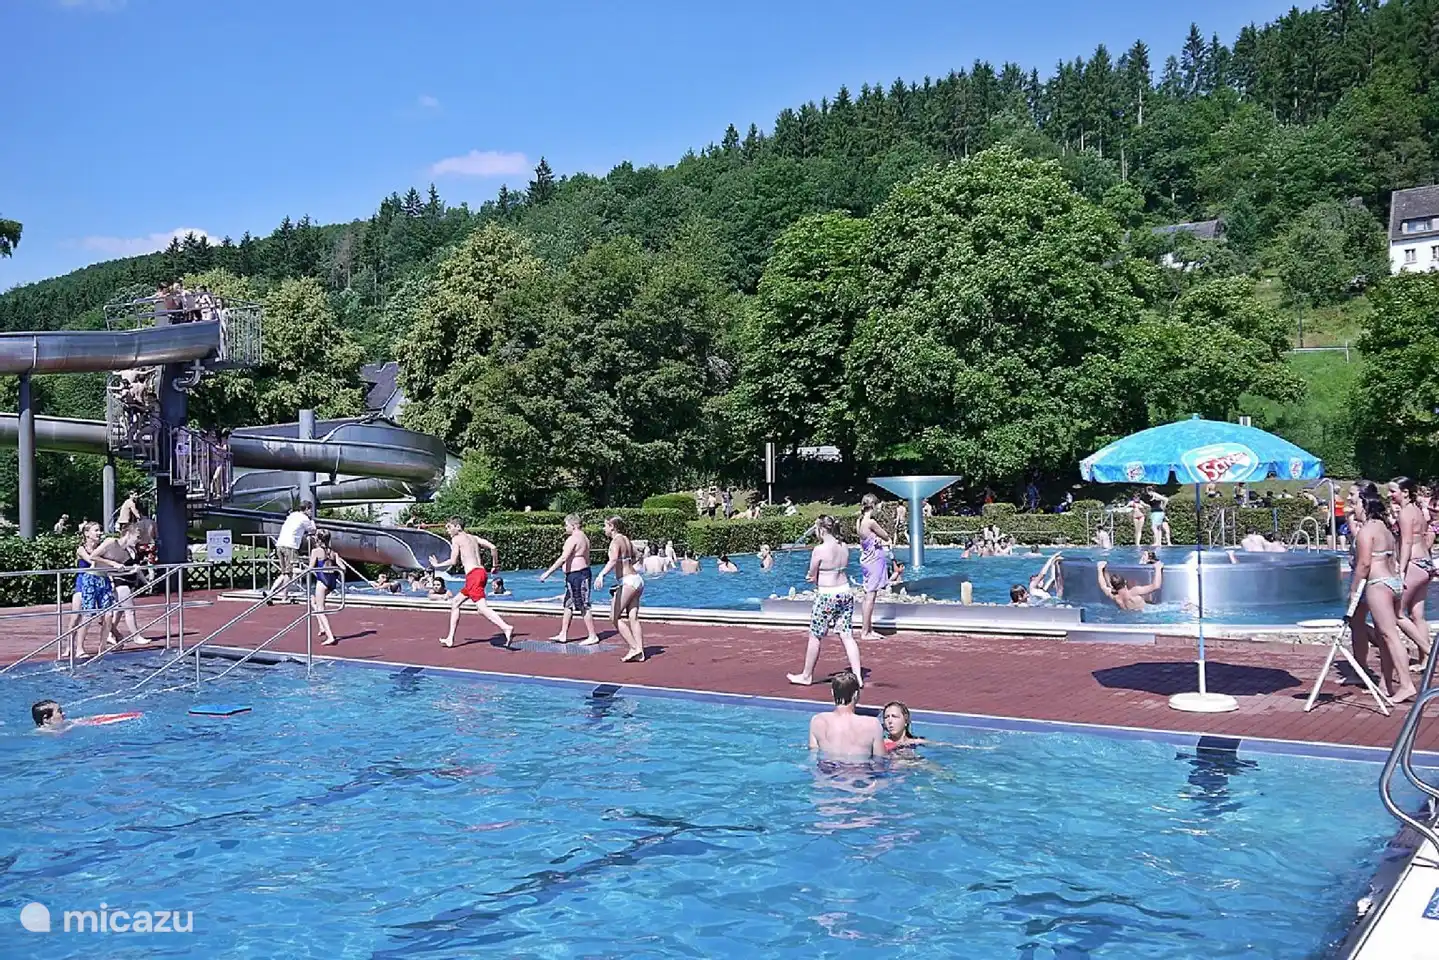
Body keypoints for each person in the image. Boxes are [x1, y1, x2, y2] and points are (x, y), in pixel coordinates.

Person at [1349, 485, 1417, 704]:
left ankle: (1406, 685)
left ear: (1365, 505)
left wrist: (1353, 590)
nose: (1353, 508)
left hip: (1378, 584)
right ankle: (1386, 684)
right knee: (1385, 636)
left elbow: (1364, 564)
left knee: (1389, 636)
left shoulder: (1367, 531)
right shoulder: (1385, 528)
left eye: (1355, 504)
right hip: (1393, 582)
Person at [787, 515, 864, 687]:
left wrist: (811, 577)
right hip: (845, 592)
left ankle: (807, 675)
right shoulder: (844, 546)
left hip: (827, 595)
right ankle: (858, 676)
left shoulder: (819, 550)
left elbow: (812, 573)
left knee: (815, 635)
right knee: (847, 635)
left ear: (821, 529)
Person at [429, 517, 514, 648]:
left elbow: (453, 561)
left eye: (449, 527)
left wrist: (437, 565)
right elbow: (493, 547)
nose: (447, 530)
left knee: (482, 608)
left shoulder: (456, 539)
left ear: (458, 527)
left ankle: (506, 627)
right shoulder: (474, 538)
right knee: (455, 602)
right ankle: (450, 638)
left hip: (473, 575)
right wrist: (495, 565)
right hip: (481, 573)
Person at [1390, 476, 1433, 676]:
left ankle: (1429, 652)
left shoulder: (1406, 513)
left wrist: (1400, 569)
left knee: (1397, 614)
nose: (1389, 495)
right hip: (1426, 563)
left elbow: (1406, 542)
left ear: (1405, 492)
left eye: (1393, 491)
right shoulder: (1417, 510)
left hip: (1414, 564)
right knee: (1417, 615)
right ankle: (1425, 661)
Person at [539, 514, 600, 645]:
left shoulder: (573, 539)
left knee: (583, 604)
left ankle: (592, 635)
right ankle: (563, 633)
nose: (565, 527)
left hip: (578, 575)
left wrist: (548, 573)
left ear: (573, 525)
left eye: (566, 525)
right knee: (568, 604)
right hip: (575, 575)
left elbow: (563, 558)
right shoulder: (584, 537)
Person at [595, 516, 646, 662]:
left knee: (614, 617)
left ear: (612, 527)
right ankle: (640, 652)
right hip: (637, 580)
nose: (604, 529)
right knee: (633, 618)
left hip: (628, 582)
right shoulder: (626, 539)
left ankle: (634, 648)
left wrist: (601, 575)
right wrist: (626, 564)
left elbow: (612, 560)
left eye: (605, 525)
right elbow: (638, 555)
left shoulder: (615, 542)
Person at [807, 670, 885, 761]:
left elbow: (813, 755)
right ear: (856, 694)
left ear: (832, 692)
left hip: (826, 768)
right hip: (858, 769)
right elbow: (880, 760)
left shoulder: (817, 720)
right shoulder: (872, 724)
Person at [93, 523, 147, 645]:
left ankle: (110, 632)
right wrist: (113, 564)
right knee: (129, 609)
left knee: (120, 610)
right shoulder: (111, 542)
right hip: (108, 579)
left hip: (121, 579)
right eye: (137, 537)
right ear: (128, 534)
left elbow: (127, 568)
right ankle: (136, 636)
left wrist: (143, 579)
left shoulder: (129, 550)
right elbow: (93, 556)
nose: (138, 540)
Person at [857, 493, 892, 642]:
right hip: (874, 561)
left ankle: (868, 629)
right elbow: (886, 536)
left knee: (868, 595)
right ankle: (865, 632)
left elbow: (867, 541)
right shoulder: (871, 522)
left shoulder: (859, 521)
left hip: (867, 560)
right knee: (870, 596)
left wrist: (876, 540)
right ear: (873, 505)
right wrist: (882, 539)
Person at [267, 502, 315, 601]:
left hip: (280, 544)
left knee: (285, 572)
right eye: (310, 509)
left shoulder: (293, 515)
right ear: (306, 509)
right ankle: (284, 596)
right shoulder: (304, 519)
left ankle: (270, 592)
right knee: (291, 572)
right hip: (290, 546)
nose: (311, 512)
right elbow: (313, 530)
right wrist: (312, 521)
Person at [307, 531, 341, 645]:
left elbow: (310, 568)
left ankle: (330, 636)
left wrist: (299, 571)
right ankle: (322, 626)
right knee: (313, 601)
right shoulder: (333, 553)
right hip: (331, 581)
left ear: (318, 539)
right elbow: (343, 568)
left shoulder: (316, 551)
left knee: (320, 609)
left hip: (322, 581)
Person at [1096, 560, 1164, 611]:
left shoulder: (1115, 597)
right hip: (1149, 611)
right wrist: (1158, 568)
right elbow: (1156, 586)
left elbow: (1103, 586)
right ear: (1125, 582)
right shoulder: (1134, 592)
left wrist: (1100, 569)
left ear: (1113, 587)